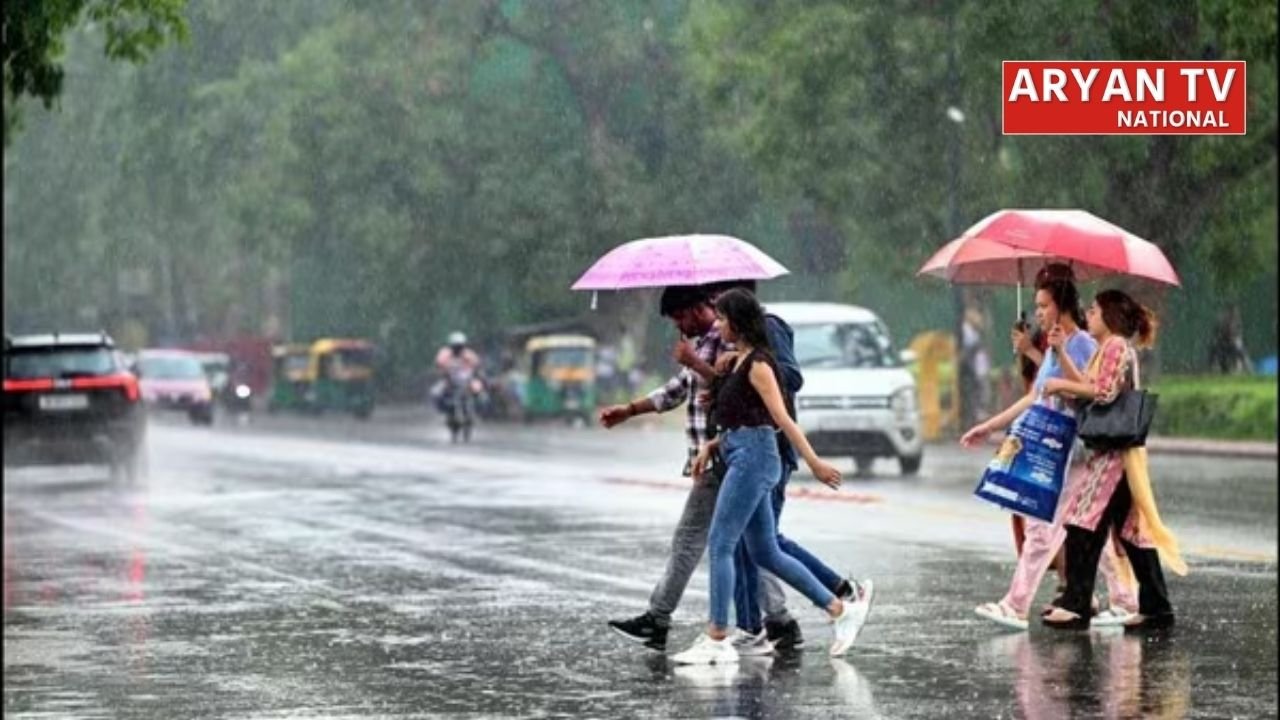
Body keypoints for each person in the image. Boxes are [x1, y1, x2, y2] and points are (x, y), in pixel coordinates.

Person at [671, 288, 870, 665]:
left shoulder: (760, 365)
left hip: (755, 460)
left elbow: (780, 419)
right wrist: (713, 445)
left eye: (724, 319)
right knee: (765, 550)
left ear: (741, 323)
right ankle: (840, 611)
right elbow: (741, 418)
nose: (718, 325)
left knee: (722, 543)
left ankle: (716, 638)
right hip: (741, 453)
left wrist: (814, 461)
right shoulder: (738, 361)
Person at [961, 277, 1137, 630]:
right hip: (1051, 451)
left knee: (1044, 528)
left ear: (1061, 305)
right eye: (1037, 306)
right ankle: (1125, 598)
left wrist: (1060, 354)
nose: (1039, 312)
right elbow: (1036, 396)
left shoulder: (1084, 343)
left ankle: (1016, 604)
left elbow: (1088, 391)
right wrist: (989, 426)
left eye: (1044, 305)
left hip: (1071, 450)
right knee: (1083, 528)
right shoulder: (1061, 343)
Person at [1041, 289, 1187, 631]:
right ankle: (1156, 608)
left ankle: (1077, 605)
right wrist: (1061, 353)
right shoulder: (1106, 349)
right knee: (1131, 532)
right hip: (1110, 451)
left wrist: (1061, 382)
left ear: (1109, 316)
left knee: (1081, 522)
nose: (1087, 315)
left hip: (1114, 455)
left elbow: (1104, 392)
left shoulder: (1117, 346)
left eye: (1093, 310)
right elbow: (1085, 386)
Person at [600, 285, 730, 651]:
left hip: (720, 455)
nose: (678, 326)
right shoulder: (702, 342)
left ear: (695, 309)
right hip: (707, 458)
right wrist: (628, 410)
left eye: (679, 317)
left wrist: (694, 362)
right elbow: (676, 391)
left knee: (691, 541)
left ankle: (657, 619)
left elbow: (737, 387)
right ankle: (784, 619)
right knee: (756, 545)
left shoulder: (726, 337)